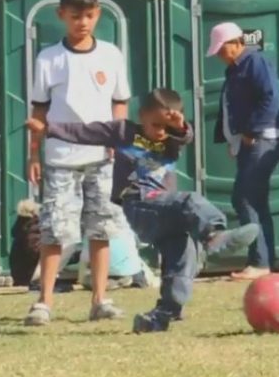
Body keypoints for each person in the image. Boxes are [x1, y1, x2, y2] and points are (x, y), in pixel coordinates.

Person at [26, 88, 259, 333]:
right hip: (139, 205)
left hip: (165, 211)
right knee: (190, 200)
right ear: (141, 115)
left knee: (182, 255)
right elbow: (85, 132)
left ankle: (163, 313)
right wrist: (48, 129)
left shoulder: (170, 140)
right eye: (154, 124)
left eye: (165, 127)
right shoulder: (124, 132)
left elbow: (185, 137)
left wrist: (179, 127)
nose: (159, 132)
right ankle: (213, 235)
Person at [25, 0, 131, 326]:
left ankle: (99, 299)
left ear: (97, 14)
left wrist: (119, 141)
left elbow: (120, 102)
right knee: (55, 231)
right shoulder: (48, 59)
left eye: (88, 15)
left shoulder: (111, 55)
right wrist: (34, 154)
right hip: (60, 160)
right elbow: (38, 112)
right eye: (75, 16)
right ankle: (44, 302)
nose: (82, 22)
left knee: (100, 230)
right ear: (61, 15)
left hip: (102, 159)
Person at [209, 22, 279, 282]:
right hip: (250, 143)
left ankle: (260, 261)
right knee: (255, 200)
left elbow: (270, 97)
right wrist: (234, 140)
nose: (219, 55)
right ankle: (263, 260)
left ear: (236, 43)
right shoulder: (236, 68)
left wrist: (251, 133)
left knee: (245, 198)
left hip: (262, 141)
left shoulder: (254, 63)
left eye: (222, 49)